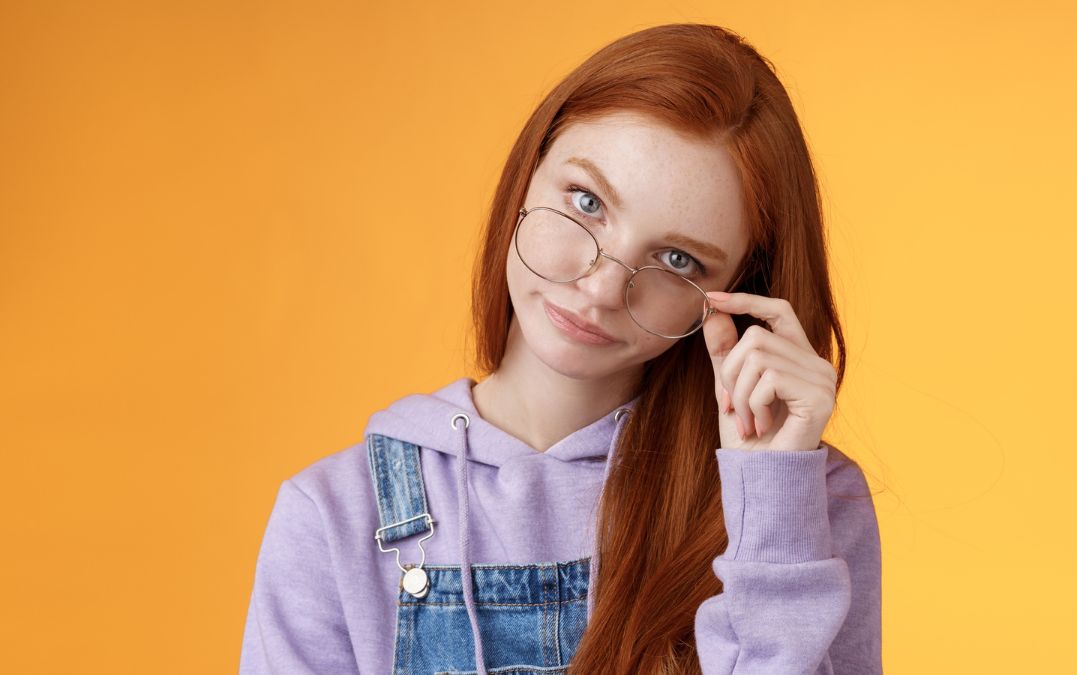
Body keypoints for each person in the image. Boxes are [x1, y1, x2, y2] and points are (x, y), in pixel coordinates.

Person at [240, 22, 881, 675]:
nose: (602, 286)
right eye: (586, 202)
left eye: (677, 258)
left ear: (737, 290)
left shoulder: (809, 504)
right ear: (528, 170)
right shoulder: (336, 517)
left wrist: (770, 499)